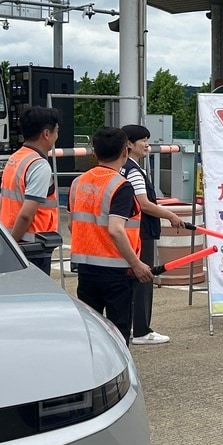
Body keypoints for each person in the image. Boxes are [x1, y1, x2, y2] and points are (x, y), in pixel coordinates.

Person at [69, 126, 154, 343]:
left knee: (92, 332)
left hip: (86, 269)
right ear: (125, 152)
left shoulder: (78, 183)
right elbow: (116, 229)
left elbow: (72, 225)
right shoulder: (121, 186)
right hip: (116, 272)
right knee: (118, 333)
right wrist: (137, 264)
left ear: (94, 153)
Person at [121, 124, 187, 346]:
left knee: (132, 279)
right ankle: (141, 330)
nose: (147, 144)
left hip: (130, 231)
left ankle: (131, 326)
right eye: (142, 140)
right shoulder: (133, 170)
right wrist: (170, 215)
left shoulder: (124, 168)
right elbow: (144, 204)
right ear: (129, 144)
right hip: (141, 231)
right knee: (143, 277)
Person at [0, 106, 61, 273]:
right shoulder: (39, 165)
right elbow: (26, 214)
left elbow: (0, 202)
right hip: (32, 247)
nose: (57, 136)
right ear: (46, 134)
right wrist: (13, 248)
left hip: (12, 239)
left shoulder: (15, 158)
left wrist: (7, 241)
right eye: (56, 132)